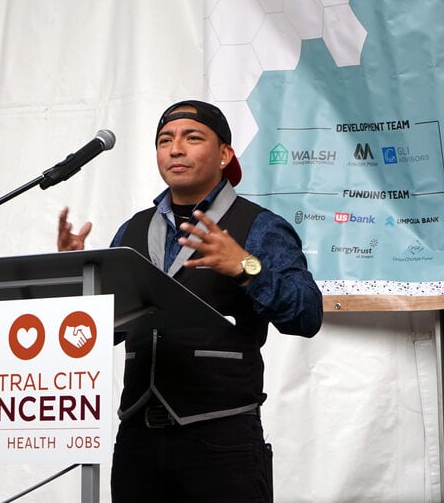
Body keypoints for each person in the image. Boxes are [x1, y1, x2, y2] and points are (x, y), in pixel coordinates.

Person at [57, 99, 323, 503]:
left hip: (222, 440)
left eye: (191, 138)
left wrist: (245, 266)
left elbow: (306, 314)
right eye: (165, 140)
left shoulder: (260, 226)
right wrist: (79, 279)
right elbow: (98, 333)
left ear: (224, 155)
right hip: (137, 438)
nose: (175, 149)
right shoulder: (132, 230)